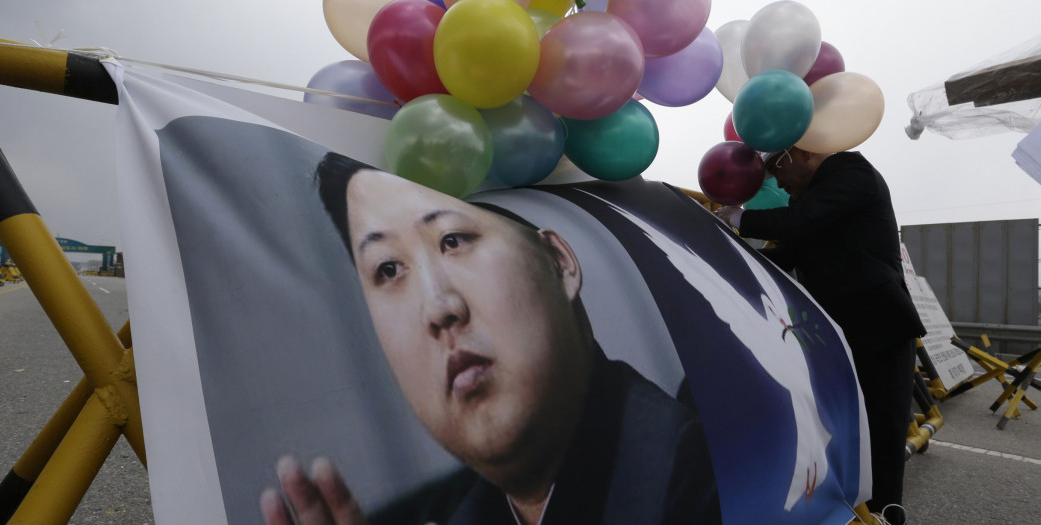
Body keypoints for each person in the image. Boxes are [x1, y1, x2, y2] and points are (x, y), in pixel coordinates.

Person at [259, 152, 720, 525]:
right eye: (388, 269)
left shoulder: (712, 480)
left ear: (558, 261)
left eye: (454, 239)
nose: (438, 307)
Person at [716, 147, 925, 525]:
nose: (778, 183)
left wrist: (739, 220)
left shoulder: (850, 169)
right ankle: (849, 511)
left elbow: (799, 222)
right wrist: (725, 251)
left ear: (799, 153)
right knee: (841, 427)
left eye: (777, 172)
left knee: (882, 427)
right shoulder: (815, 199)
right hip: (836, 331)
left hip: (878, 325)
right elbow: (788, 253)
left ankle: (885, 514)